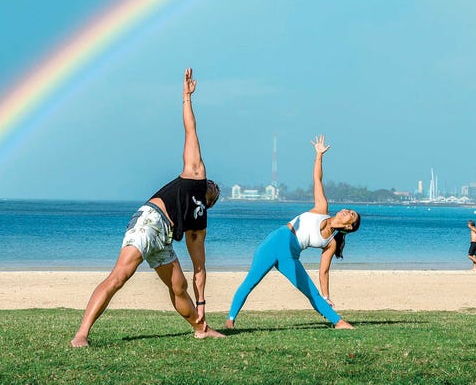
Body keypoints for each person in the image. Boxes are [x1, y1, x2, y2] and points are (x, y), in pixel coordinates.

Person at [70, 68, 223, 347]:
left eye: (217, 191)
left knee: (179, 286)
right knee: (119, 277)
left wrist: (201, 303)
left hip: (164, 236)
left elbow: (199, 268)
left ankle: (201, 328)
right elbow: (191, 130)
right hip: (150, 221)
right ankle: (81, 334)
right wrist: (186, 97)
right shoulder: (195, 173)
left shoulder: (197, 226)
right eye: (215, 185)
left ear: (211, 203)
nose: (215, 186)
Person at [225, 135, 360, 330]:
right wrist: (319, 155)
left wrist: (326, 296)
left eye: (351, 215)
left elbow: (324, 271)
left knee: (310, 291)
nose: (347, 211)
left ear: (349, 227)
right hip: (277, 241)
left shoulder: (331, 243)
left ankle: (338, 322)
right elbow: (317, 179)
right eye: (349, 210)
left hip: (290, 255)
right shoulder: (321, 208)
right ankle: (230, 321)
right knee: (251, 282)